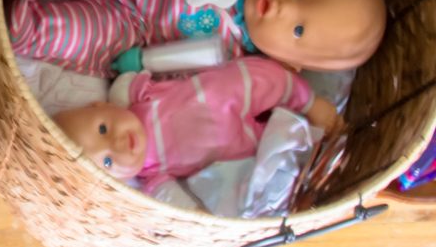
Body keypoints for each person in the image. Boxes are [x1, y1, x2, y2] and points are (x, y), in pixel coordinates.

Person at [52, 56, 344, 192]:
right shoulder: (151, 176)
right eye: (106, 162)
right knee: (275, 162)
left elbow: (138, 72)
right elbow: (177, 208)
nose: (116, 144)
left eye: (103, 129)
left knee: (258, 77)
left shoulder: (135, 95)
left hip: (223, 94)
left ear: (101, 105)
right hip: (241, 147)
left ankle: (307, 101)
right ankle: (313, 145)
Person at [8, 0, 386, 77]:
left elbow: (185, 84)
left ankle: (25, 22)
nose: (287, 5)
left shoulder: (236, 64)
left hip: (131, 30)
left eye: (298, 29)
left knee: (74, 36)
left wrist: (139, 67)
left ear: (289, 63)